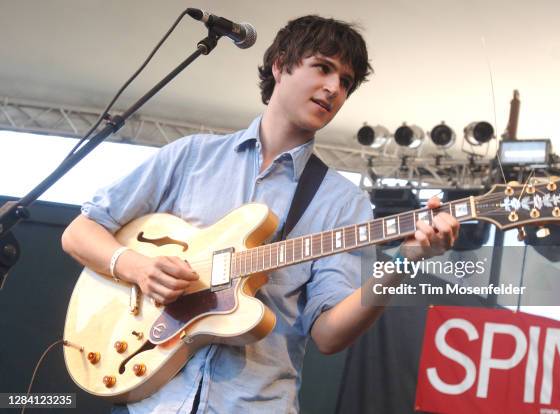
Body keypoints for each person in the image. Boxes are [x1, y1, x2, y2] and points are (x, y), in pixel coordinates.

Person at [62, 15, 459, 414]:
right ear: (280, 64)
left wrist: (405, 263)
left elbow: (328, 335)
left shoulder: (343, 202)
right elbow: (80, 232)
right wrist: (138, 268)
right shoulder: (191, 156)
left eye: (346, 82)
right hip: (152, 399)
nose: (334, 88)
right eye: (323, 67)